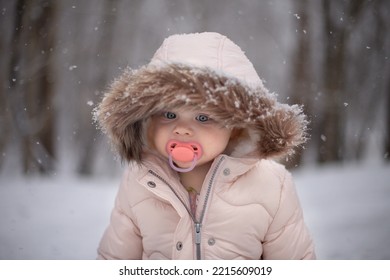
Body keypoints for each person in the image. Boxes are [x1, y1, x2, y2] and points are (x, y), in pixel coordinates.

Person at [94, 32, 316, 260]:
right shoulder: (139, 181)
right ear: (148, 120)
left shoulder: (272, 186)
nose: (182, 129)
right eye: (169, 114)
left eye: (203, 118)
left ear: (236, 126)